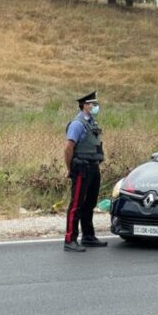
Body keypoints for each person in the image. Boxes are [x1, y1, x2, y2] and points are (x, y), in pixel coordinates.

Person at [63, 91, 107, 252]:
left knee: (90, 203)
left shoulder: (92, 122)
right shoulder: (77, 124)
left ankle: (88, 236)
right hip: (81, 168)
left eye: (96, 104)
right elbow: (68, 148)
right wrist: (70, 169)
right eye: (93, 104)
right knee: (76, 205)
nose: (96, 106)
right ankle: (70, 239)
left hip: (93, 167)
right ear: (85, 105)